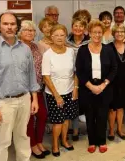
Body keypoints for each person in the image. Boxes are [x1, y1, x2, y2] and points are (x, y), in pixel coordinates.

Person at [0, 12, 40, 161]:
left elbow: (31, 75)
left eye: (12, 24)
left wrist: (34, 98)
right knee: (3, 141)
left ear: (17, 27)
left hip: (25, 99)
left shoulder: (25, 49)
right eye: (5, 24)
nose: (9, 27)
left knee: (22, 136)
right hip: (4, 103)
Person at [75, 20, 117, 153]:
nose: (97, 35)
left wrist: (104, 84)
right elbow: (79, 71)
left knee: (102, 115)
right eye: (94, 32)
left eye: (99, 32)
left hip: (104, 87)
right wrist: (90, 86)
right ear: (89, 33)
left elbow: (114, 68)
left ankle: (102, 141)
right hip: (87, 87)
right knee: (90, 115)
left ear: (102, 33)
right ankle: (92, 141)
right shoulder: (82, 50)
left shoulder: (108, 49)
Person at [42, 24, 78, 157]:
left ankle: (64, 141)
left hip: (69, 90)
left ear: (65, 36)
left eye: (62, 35)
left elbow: (75, 72)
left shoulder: (70, 52)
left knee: (67, 119)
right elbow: (46, 76)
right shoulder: (48, 54)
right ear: (51, 36)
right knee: (58, 122)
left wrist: (76, 88)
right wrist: (57, 95)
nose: (59, 37)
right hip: (54, 93)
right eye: (56, 35)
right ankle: (55, 144)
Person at [18, 20, 50, 158]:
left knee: (42, 115)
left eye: (32, 30)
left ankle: (39, 142)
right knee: (29, 119)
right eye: (26, 30)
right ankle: (32, 145)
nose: (30, 33)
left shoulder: (36, 47)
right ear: (19, 33)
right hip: (24, 90)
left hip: (38, 88)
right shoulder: (16, 48)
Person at [107, 24, 125, 141]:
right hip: (112, 82)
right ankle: (111, 130)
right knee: (112, 109)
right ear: (113, 33)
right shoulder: (108, 47)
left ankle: (119, 129)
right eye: (117, 31)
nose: (119, 33)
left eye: (122, 32)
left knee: (120, 108)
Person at [66, 17, 90, 141]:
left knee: (86, 103)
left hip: (86, 77)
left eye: (81, 26)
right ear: (72, 27)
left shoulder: (89, 41)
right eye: (75, 26)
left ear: (85, 29)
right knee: (73, 102)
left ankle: (90, 128)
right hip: (69, 77)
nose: (78, 28)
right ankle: (74, 130)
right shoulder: (66, 41)